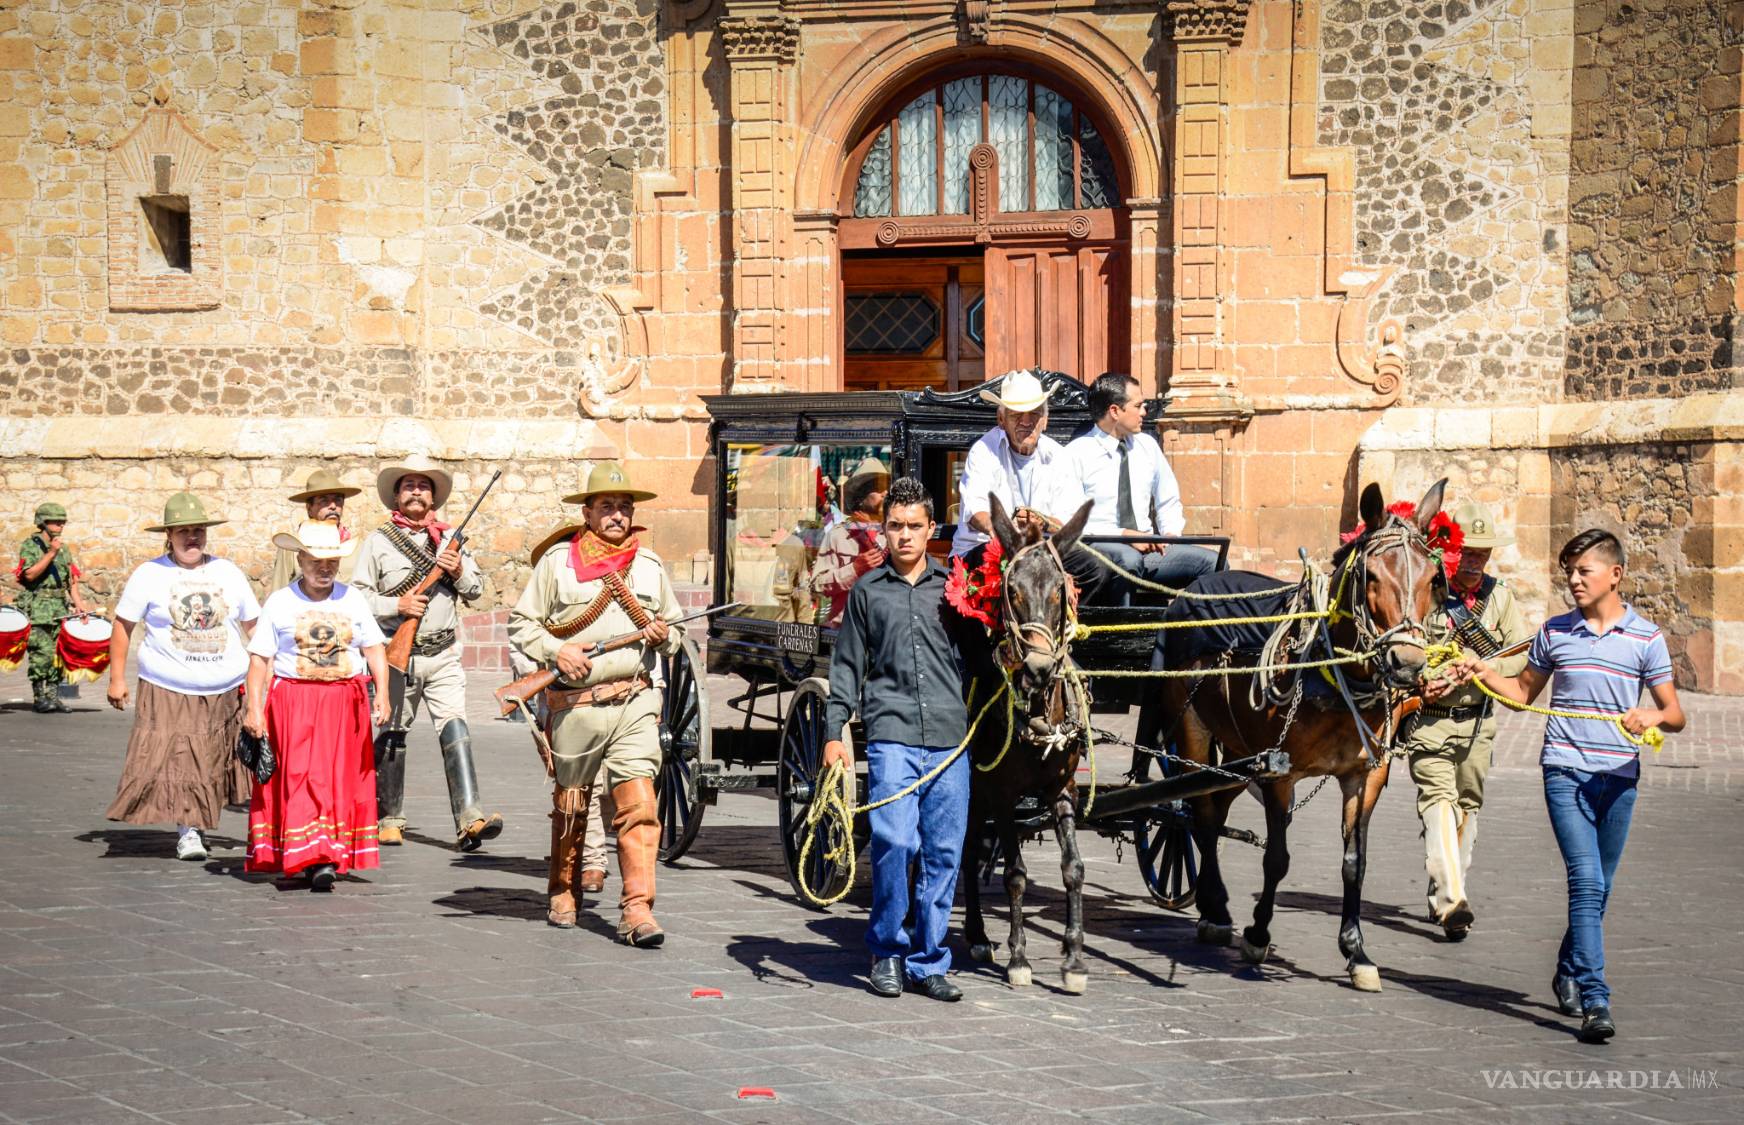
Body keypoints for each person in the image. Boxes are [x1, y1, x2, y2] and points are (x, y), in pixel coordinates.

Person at [1451, 528, 1685, 1044]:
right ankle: (1596, 999)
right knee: (1585, 880)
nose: (1574, 581)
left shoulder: (1645, 638)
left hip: (1621, 777)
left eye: (1584, 571)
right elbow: (1520, 692)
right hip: (1564, 771)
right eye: (1570, 573)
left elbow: (1676, 714)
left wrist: (1651, 714)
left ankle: (1567, 968)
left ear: (1615, 574)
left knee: (1600, 888)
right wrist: (1480, 672)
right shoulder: (1555, 633)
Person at [507, 462, 685, 946]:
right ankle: (563, 888)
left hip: (634, 699)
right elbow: (522, 624)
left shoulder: (648, 567)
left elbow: (677, 630)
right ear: (587, 512)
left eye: (624, 507)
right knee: (571, 803)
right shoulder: (556, 564)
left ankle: (637, 909)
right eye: (606, 506)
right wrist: (556, 650)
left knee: (639, 802)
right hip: (575, 703)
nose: (617, 515)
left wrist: (664, 635)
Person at [822, 477, 970, 1002]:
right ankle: (887, 950)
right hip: (892, 735)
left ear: (932, 529)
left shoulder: (955, 591)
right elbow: (847, 666)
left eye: (914, 527)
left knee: (943, 852)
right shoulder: (868, 592)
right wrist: (835, 731)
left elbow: (983, 658)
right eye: (895, 526)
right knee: (894, 841)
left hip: (951, 738)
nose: (904, 536)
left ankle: (929, 960)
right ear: (883, 530)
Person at [351, 456, 503, 851]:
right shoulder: (378, 542)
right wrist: (395, 607)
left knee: (456, 729)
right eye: (408, 485)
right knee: (392, 731)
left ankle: (470, 818)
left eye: (423, 485)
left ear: (432, 495)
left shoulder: (450, 539)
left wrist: (456, 571)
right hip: (396, 655)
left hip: (443, 653)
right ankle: (388, 818)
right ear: (397, 496)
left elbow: (476, 591)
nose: (416, 491)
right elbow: (359, 597)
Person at [104, 493, 260, 861]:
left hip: (225, 689)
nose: (193, 538)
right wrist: (116, 678)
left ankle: (238, 828)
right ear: (169, 535)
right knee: (181, 761)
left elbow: (254, 627)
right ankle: (189, 831)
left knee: (219, 761)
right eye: (184, 531)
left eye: (199, 530)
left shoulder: (228, 572)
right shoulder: (149, 574)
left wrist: (271, 674)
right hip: (169, 687)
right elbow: (123, 625)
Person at [244, 522, 392, 891]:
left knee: (337, 780)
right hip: (295, 702)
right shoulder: (280, 602)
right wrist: (254, 708)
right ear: (301, 559)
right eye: (316, 560)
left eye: (331, 561)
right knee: (302, 778)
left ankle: (323, 855)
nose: (324, 568)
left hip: (344, 704)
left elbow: (374, 648)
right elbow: (261, 659)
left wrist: (384, 695)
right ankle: (314, 854)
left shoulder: (352, 599)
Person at [1410, 500, 1530, 940]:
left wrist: (1482, 667)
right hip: (1431, 723)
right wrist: (1428, 678)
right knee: (1438, 803)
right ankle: (1452, 901)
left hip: (1480, 722)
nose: (1477, 558)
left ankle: (1447, 885)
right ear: (1448, 552)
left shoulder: (1501, 598)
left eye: (1484, 550)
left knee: (1467, 810)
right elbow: (1406, 652)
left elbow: (1520, 659)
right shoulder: (1427, 593)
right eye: (1469, 550)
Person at [1061, 372, 1216, 604]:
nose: (1144, 412)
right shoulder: (1076, 454)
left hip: (1149, 550)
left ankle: (1190, 632)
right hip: (1102, 549)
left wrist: (1171, 535)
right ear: (1115, 411)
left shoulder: (1147, 446)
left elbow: (1168, 499)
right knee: (1128, 560)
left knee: (1214, 563)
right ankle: (1123, 636)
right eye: (1138, 405)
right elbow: (1068, 521)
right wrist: (1123, 536)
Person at [14, 501, 93, 713]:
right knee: (42, 653)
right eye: (55, 522)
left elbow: (72, 582)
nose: (60, 526)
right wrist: (50, 553)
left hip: (59, 608)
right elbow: (28, 574)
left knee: (59, 653)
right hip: (39, 606)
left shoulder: (64, 549)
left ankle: (53, 696)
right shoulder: (30, 545)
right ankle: (40, 697)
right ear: (43, 522)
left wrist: (80, 606)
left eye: (62, 522)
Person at [809, 457, 889, 628]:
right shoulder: (838, 535)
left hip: (885, 634)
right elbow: (818, 585)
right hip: (846, 633)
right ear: (861, 497)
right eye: (878, 489)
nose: (885, 493)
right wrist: (854, 570)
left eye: (886, 488)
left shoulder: (894, 534)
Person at [268, 468, 361, 593]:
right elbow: (279, 588)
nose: (333, 506)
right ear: (309, 508)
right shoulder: (292, 548)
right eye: (324, 501)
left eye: (338, 500)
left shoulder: (356, 547)